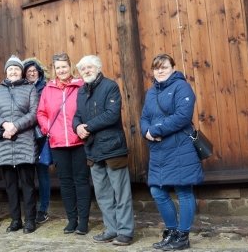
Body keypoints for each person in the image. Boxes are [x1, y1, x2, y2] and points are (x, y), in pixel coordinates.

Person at [140, 54, 204, 251]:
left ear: (173, 68)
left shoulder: (181, 87)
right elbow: (144, 117)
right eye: (156, 68)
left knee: (184, 190)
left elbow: (183, 116)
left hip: (180, 147)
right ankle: (171, 231)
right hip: (159, 150)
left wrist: (156, 130)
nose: (160, 71)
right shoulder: (151, 92)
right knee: (157, 190)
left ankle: (183, 236)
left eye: (164, 67)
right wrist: (146, 131)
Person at [74, 55, 134, 246]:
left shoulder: (110, 86)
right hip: (93, 149)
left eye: (89, 67)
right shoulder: (81, 92)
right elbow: (76, 115)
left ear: (98, 68)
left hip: (113, 148)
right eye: (82, 69)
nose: (86, 71)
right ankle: (112, 229)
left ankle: (125, 232)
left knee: (121, 192)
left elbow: (111, 115)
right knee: (103, 194)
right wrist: (77, 127)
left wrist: (87, 127)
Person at [36, 52, 91, 235]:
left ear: (70, 67)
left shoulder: (81, 86)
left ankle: (83, 221)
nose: (61, 70)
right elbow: (41, 113)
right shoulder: (48, 89)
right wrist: (48, 130)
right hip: (58, 143)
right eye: (58, 67)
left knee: (81, 181)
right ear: (54, 70)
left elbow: (88, 109)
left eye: (64, 67)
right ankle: (72, 220)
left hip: (79, 142)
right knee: (66, 183)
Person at [0, 55, 39, 234]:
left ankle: (30, 220)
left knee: (28, 184)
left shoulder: (30, 89)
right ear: (6, 72)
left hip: (24, 141)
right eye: (10, 69)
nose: (14, 72)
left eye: (16, 69)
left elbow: (34, 113)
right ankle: (16, 220)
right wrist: (4, 125)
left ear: (21, 71)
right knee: (10, 185)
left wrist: (16, 126)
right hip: (3, 143)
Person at [23, 57, 51, 224]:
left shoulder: (45, 88)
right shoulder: (21, 88)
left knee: (42, 173)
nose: (32, 73)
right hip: (25, 135)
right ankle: (30, 209)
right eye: (28, 72)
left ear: (39, 72)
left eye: (34, 71)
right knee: (27, 174)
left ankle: (43, 208)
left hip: (41, 135)